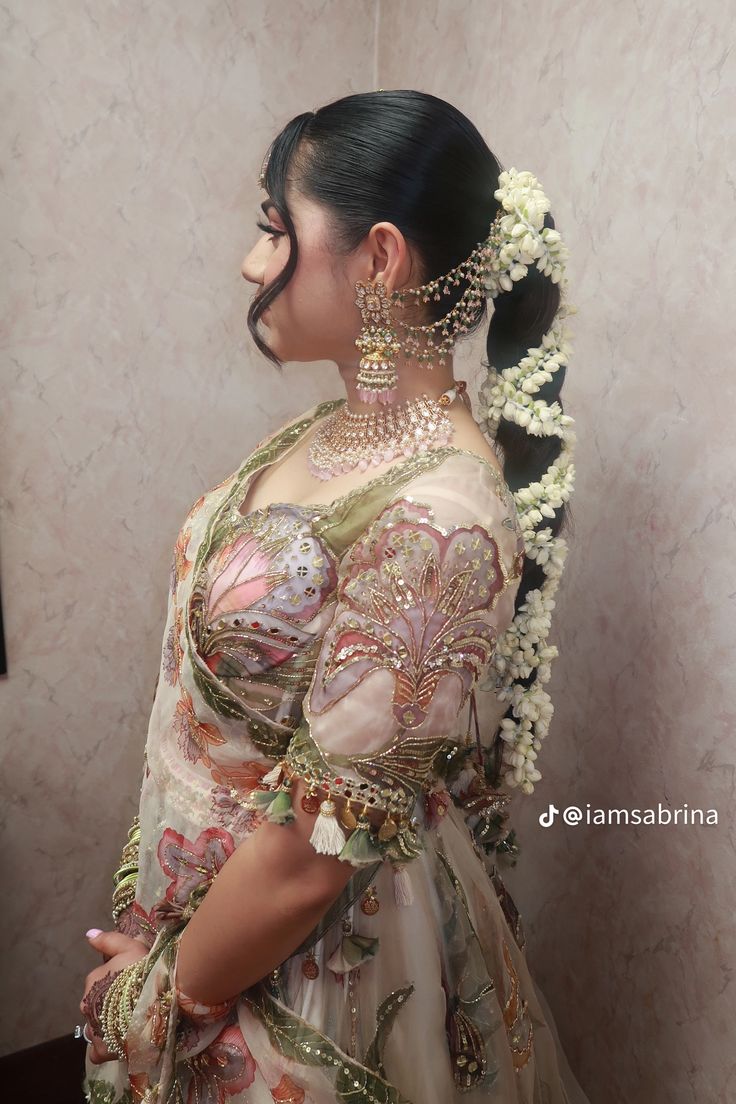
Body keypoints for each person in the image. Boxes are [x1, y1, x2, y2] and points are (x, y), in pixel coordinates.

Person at [78, 90, 586, 1104]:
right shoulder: (327, 434)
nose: (251, 266)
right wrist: (150, 905)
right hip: (207, 913)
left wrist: (160, 993)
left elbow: (314, 857)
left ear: (378, 257)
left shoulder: (441, 515)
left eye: (275, 230)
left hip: (312, 965)